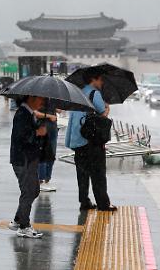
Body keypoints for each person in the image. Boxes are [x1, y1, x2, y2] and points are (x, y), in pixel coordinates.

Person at [65, 69, 117, 212]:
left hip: (77, 139)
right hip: (91, 140)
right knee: (98, 173)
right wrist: (107, 109)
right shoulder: (95, 94)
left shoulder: (79, 93)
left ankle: (84, 201)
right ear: (94, 79)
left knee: (82, 173)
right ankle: (103, 204)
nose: (101, 83)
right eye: (100, 80)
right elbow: (102, 115)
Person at [8, 95, 51, 238]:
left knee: (34, 190)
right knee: (29, 191)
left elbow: (29, 134)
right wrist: (37, 132)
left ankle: (18, 220)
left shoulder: (28, 113)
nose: (42, 101)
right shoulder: (22, 114)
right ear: (30, 99)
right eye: (39, 99)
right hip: (23, 159)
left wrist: (40, 128)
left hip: (28, 159)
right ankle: (24, 226)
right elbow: (21, 137)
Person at [38, 103, 61, 192]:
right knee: (43, 153)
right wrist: (49, 115)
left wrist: (55, 109)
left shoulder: (52, 97)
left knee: (51, 153)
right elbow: (35, 112)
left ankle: (47, 178)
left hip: (52, 126)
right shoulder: (38, 97)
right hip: (43, 125)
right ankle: (41, 179)